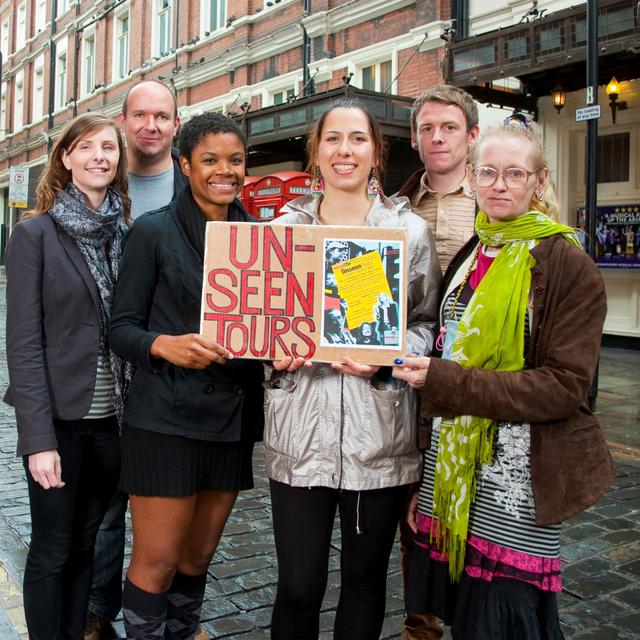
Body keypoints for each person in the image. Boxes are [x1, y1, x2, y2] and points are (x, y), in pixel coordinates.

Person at [392, 116, 615, 639]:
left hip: (515, 484)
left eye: (515, 174)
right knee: (462, 615)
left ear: (539, 181)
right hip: (453, 473)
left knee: (500, 622)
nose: (499, 185)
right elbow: (446, 344)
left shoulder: (568, 264)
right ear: (470, 177)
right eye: (488, 172)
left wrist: (446, 380)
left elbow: (564, 387)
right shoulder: (474, 252)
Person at [264, 98, 442, 639]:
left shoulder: (408, 230)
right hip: (299, 432)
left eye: (357, 139)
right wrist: (272, 350)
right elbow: (257, 325)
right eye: (333, 138)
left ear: (376, 152)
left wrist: (386, 358)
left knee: (364, 582)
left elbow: (427, 324)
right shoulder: (283, 228)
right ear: (315, 151)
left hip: (379, 432)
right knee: (298, 585)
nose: (345, 150)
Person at [108, 112, 264, 639]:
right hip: (165, 422)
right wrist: (164, 345)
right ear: (184, 164)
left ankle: (183, 632)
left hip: (232, 422)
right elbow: (120, 329)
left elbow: (273, 327)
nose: (226, 171)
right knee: (158, 561)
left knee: (197, 558)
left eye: (236, 160)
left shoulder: (261, 240)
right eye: (211, 160)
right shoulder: (152, 232)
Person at [4, 113, 130, 640]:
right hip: (60, 424)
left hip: (114, 425)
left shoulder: (127, 234)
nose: (100, 156)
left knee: (86, 546)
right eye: (87, 147)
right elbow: (24, 346)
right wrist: (38, 440)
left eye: (109, 147)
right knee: (53, 549)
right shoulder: (35, 234)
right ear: (66, 158)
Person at [86, 79, 188, 640]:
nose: (151, 125)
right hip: (107, 372)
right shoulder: (101, 180)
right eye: (140, 115)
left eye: (162, 116)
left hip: (171, 377)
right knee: (105, 510)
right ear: (124, 121)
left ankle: (172, 614)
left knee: (171, 511)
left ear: (177, 124)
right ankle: (98, 610)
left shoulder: (195, 185)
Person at [396, 83, 480, 640]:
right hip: (415, 373)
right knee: (414, 504)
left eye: (449, 127)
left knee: (478, 509)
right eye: (427, 128)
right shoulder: (398, 206)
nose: (437, 137)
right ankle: (419, 622)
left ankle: (474, 615)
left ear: (472, 135)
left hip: (481, 376)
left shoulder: (500, 195)